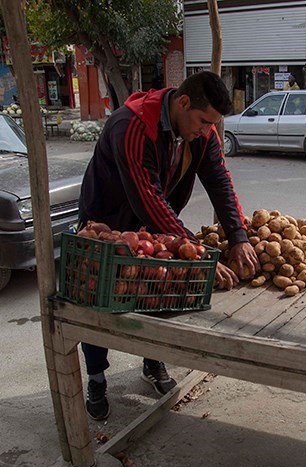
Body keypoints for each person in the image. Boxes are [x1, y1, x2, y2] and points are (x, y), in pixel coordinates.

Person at [77, 70, 260, 420]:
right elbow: (148, 197)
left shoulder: (202, 133)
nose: (206, 131)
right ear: (183, 102)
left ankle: (153, 361)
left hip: (153, 226)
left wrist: (238, 237)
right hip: (106, 223)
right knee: (98, 301)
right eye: (203, 121)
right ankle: (96, 378)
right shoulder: (131, 125)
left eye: (212, 125)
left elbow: (219, 182)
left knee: (156, 292)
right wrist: (199, 253)